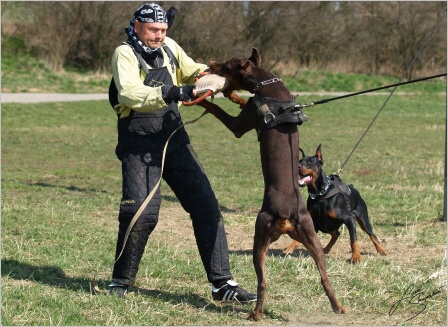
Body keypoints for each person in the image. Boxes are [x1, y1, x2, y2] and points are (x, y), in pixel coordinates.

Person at [108, 3, 256, 303]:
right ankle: (120, 281)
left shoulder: (170, 47)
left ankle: (222, 284)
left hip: (174, 136)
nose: (159, 36)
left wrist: (209, 78)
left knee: (206, 207)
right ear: (137, 25)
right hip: (138, 140)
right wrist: (175, 92)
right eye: (153, 30)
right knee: (141, 214)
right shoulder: (124, 53)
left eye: (163, 30)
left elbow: (191, 71)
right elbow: (130, 94)